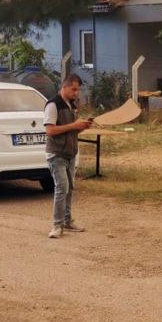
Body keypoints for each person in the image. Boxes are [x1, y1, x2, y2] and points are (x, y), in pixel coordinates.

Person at [44, 73, 93, 239]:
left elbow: (72, 130)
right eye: (73, 89)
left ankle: (67, 221)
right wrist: (74, 125)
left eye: (78, 90)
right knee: (62, 188)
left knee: (69, 188)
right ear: (64, 86)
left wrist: (82, 127)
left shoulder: (72, 104)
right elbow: (50, 130)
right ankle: (56, 226)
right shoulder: (53, 105)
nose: (76, 93)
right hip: (56, 154)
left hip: (71, 153)